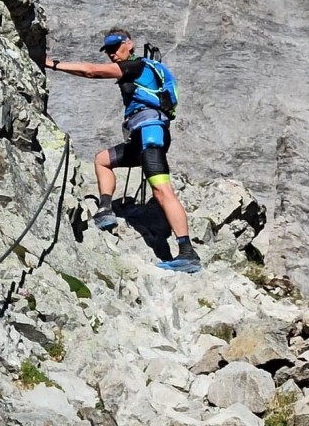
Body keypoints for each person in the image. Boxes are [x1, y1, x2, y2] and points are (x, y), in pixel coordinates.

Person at [45, 29, 201, 273]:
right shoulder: (141, 69)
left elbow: (91, 71)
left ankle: (187, 252)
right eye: (108, 50)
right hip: (143, 137)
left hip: (150, 135)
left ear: (129, 44)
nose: (112, 54)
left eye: (115, 47)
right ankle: (106, 210)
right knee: (103, 160)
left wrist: (53, 64)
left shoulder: (136, 67)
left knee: (162, 190)